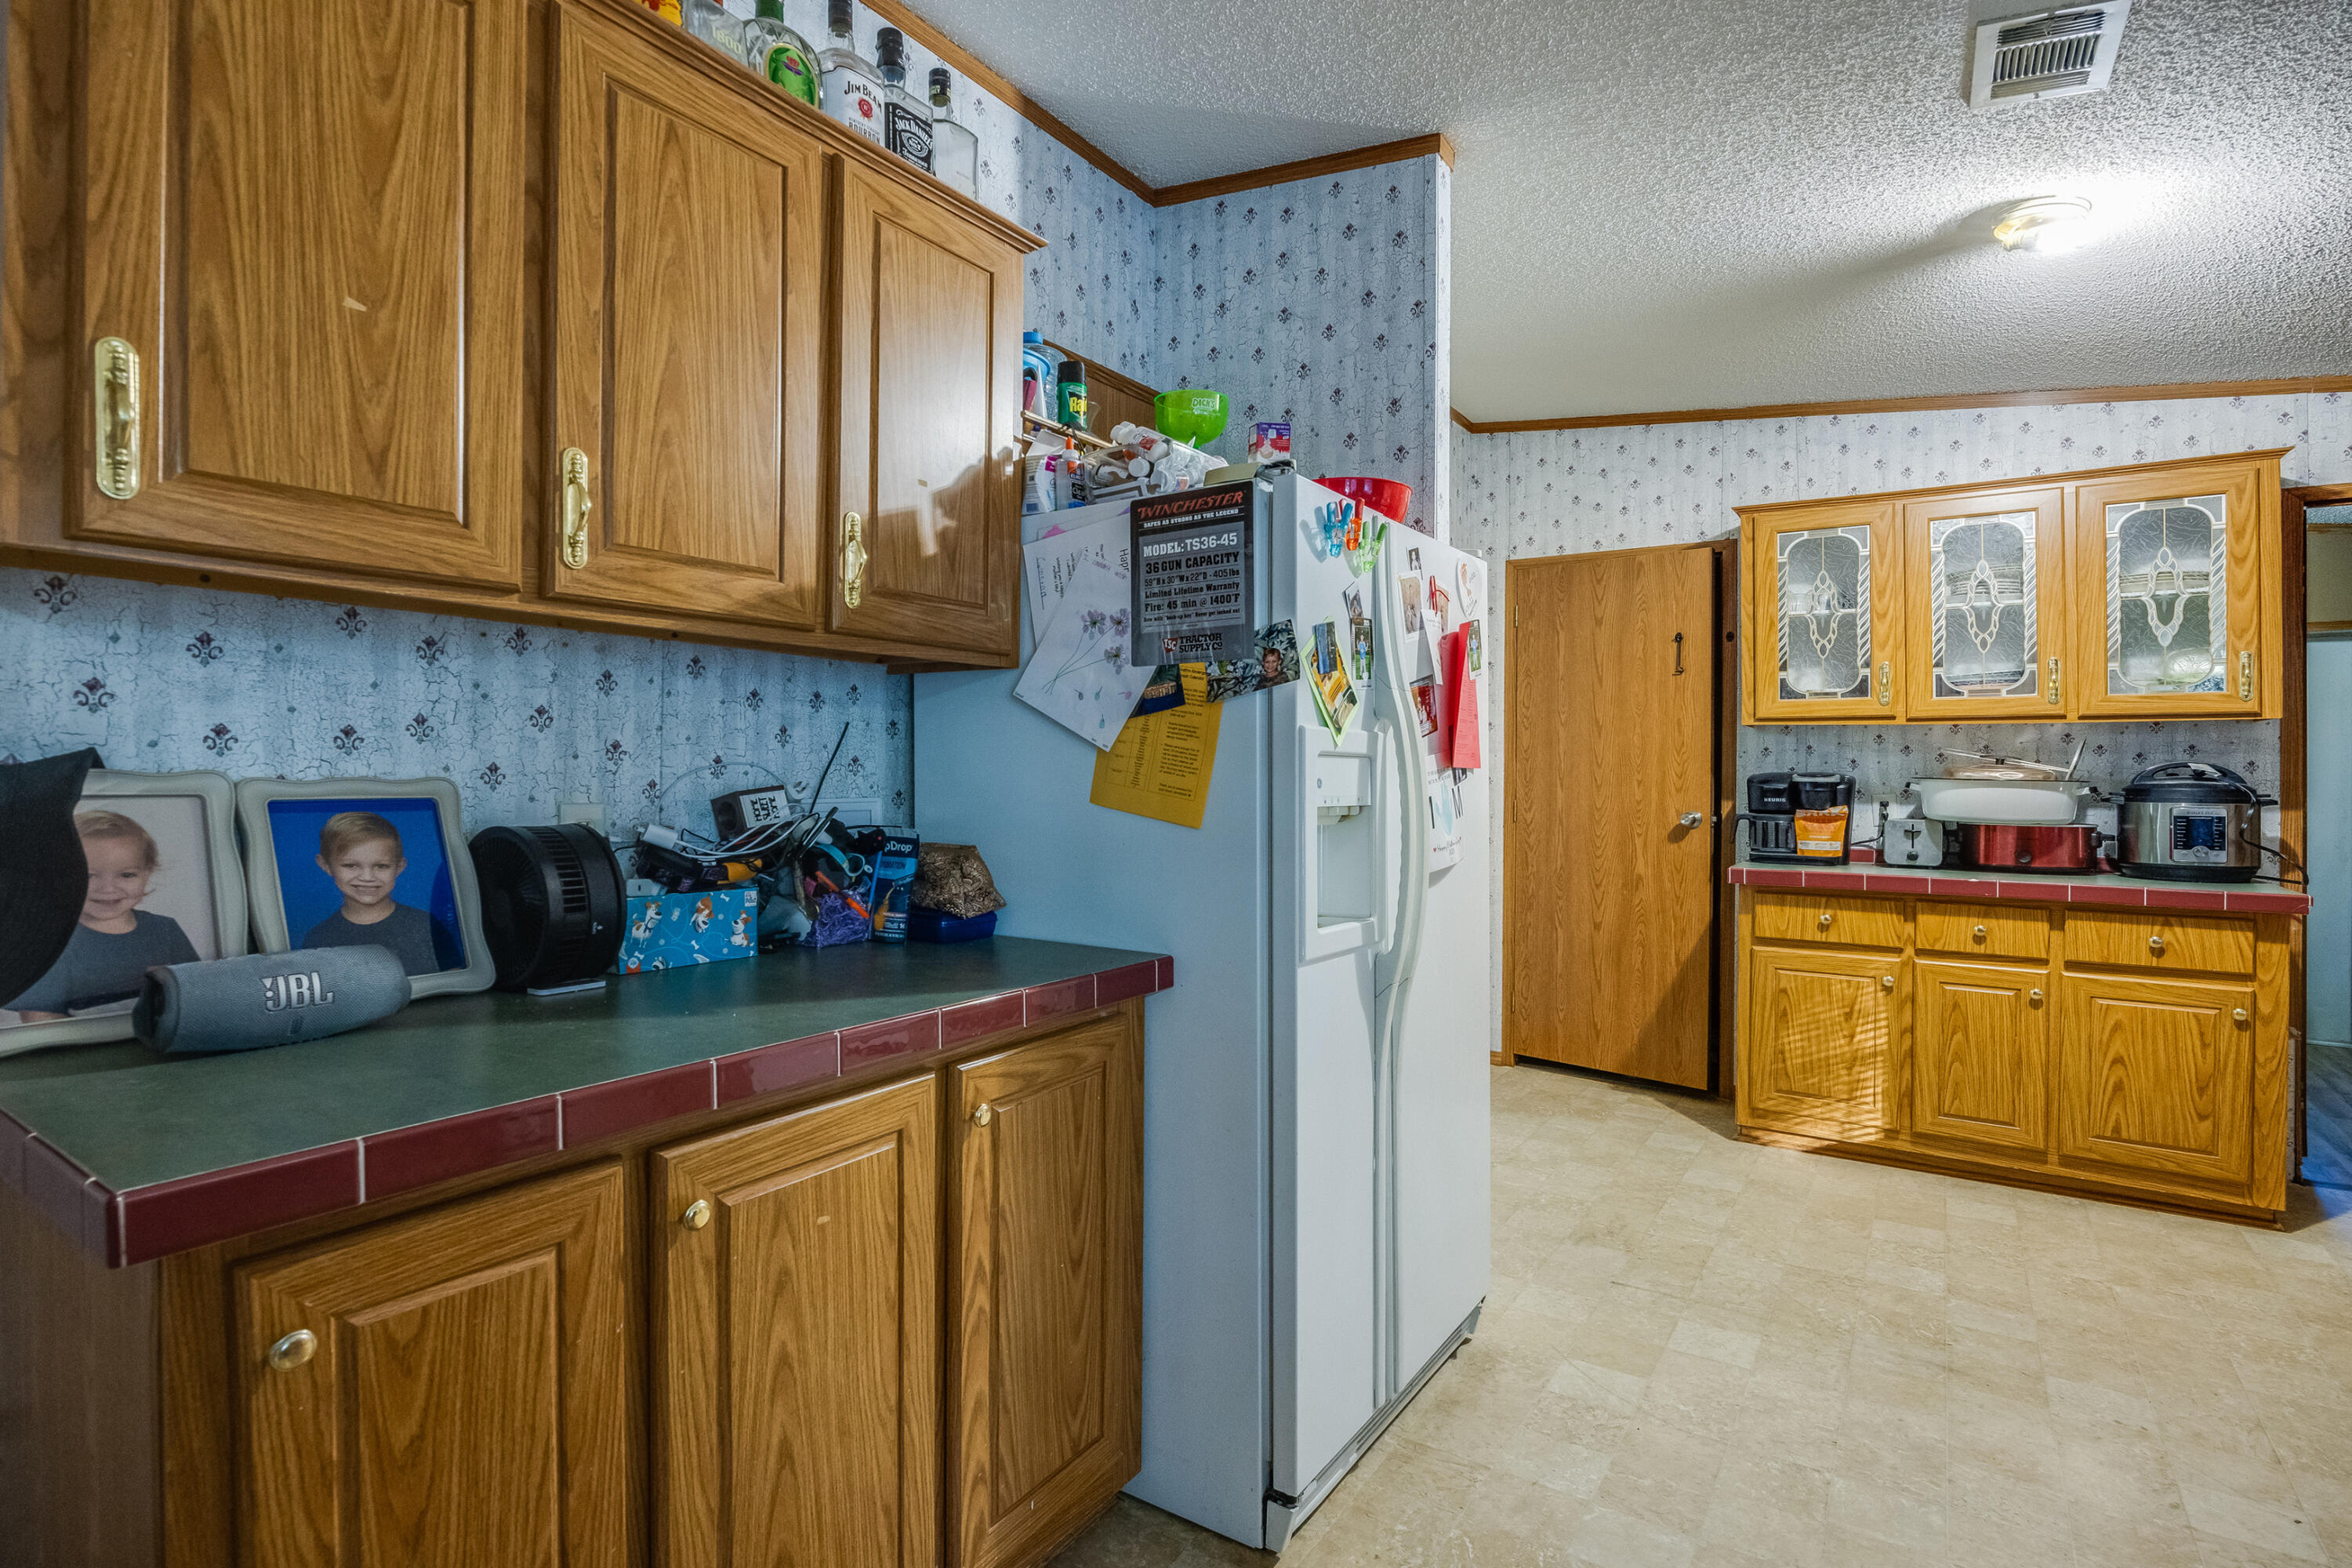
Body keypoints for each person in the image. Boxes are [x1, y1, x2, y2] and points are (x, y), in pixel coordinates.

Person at [9, 811, 200, 1022]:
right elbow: (39, 1022)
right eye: (89, 875)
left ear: (147, 874)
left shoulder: (165, 929)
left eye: (127, 875)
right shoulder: (48, 944)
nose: (108, 889)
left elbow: (197, 995)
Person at [299, 811, 461, 977]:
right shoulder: (318, 939)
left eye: (381, 866)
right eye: (351, 866)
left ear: (399, 867)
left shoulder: (427, 926)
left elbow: (456, 983)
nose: (368, 878)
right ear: (325, 864)